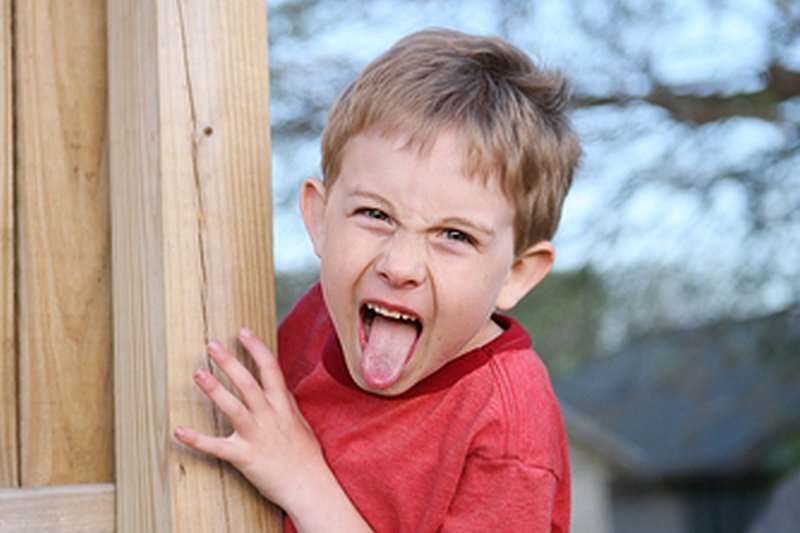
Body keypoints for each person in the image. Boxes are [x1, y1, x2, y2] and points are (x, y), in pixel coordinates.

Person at [174, 27, 581, 532]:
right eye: (375, 214)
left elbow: (288, 469)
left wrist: (302, 479)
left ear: (516, 274)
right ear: (320, 218)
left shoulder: (508, 432)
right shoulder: (321, 317)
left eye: (454, 235)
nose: (400, 266)